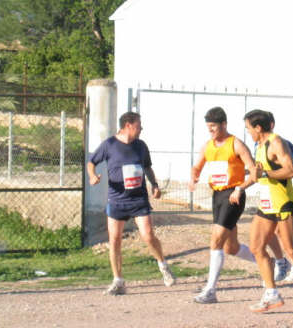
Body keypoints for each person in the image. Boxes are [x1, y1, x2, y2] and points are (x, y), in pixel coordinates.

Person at [87, 111, 175, 295]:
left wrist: (155, 185)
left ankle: (163, 266)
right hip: (117, 199)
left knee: (148, 235)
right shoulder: (109, 144)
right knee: (115, 240)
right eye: (138, 125)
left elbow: (147, 167)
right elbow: (91, 162)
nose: (141, 129)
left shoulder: (141, 146)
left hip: (138, 199)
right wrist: (92, 176)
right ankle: (118, 280)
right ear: (128, 125)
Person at [244, 109, 293, 313]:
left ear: (258, 127)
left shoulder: (276, 142)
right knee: (256, 247)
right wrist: (239, 188)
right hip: (267, 203)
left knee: (292, 250)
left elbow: (291, 169)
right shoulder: (259, 145)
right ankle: (271, 293)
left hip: (284, 203)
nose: (248, 132)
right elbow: (257, 175)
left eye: (249, 128)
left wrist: (267, 172)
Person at [188, 107, 257, 303]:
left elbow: (253, 172)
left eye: (214, 127)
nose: (211, 131)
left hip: (234, 194)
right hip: (217, 196)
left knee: (215, 240)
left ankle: (210, 290)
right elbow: (197, 165)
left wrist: (240, 188)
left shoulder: (236, 144)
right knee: (230, 247)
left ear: (224, 125)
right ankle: (266, 263)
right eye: (208, 128)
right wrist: (193, 176)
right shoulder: (208, 146)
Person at [265, 112, 293, 283]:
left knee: (285, 235)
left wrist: (288, 174)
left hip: (283, 196)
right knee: (270, 232)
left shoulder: (280, 143)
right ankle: (282, 262)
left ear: (272, 124)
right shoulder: (258, 145)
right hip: (267, 195)